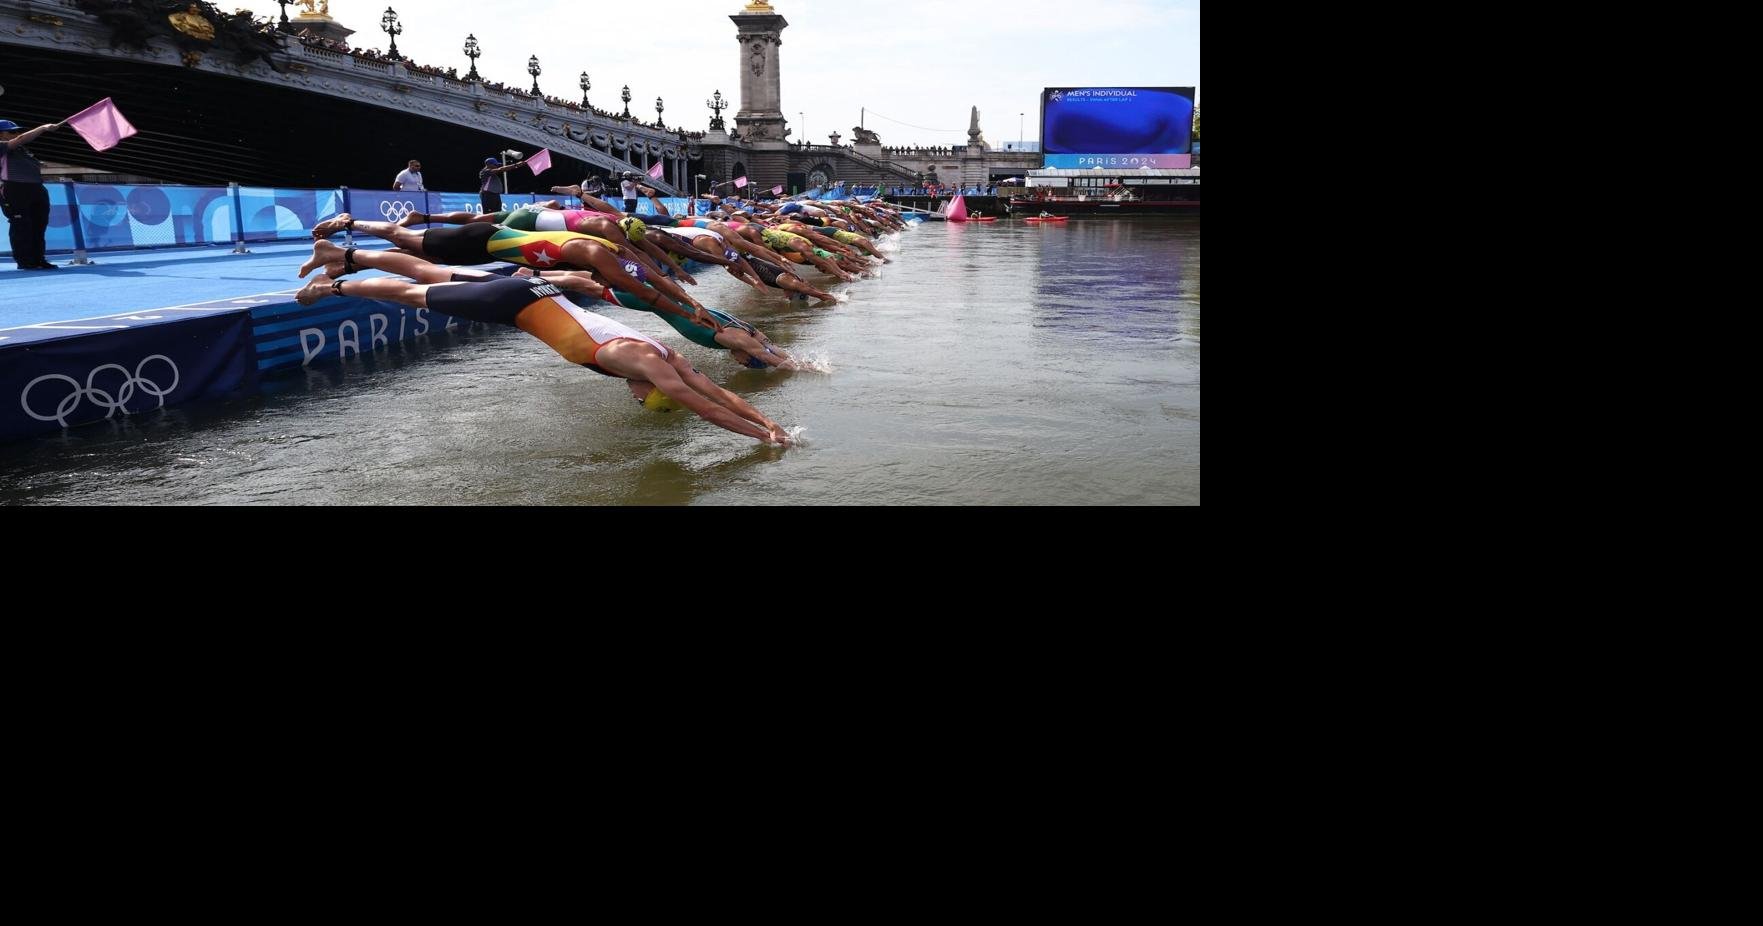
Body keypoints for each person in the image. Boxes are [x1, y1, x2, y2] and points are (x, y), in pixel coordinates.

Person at [293, 242, 791, 445]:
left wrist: (770, 421)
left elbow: (719, 395)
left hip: (533, 290)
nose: (636, 399)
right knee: (411, 294)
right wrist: (765, 438)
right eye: (647, 402)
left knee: (425, 270)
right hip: (510, 304)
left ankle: (343, 253)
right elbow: (708, 410)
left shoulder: (668, 358)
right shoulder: (638, 361)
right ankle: (330, 286)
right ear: (650, 390)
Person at [1, 118, 64, 271]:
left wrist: (38, 164)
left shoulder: (22, 150)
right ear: (1, 134)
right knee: (21, 224)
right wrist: (42, 127)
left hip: (36, 187)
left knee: (39, 224)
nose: (17, 134)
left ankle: (38, 259)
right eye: (12, 132)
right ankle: (25, 261)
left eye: (17, 131)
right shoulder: (4, 145)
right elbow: (20, 140)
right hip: (14, 188)